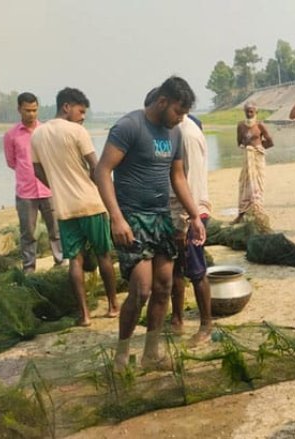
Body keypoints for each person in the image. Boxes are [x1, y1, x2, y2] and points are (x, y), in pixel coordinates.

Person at [95, 76, 205, 372]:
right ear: (162, 102)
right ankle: (121, 354)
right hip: (131, 218)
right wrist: (116, 218)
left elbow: (177, 176)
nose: (180, 118)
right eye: (177, 112)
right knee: (141, 289)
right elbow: (102, 171)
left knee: (163, 286)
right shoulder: (129, 127)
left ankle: (151, 353)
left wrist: (194, 214)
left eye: (184, 114)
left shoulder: (176, 134)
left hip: (161, 218)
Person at [30, 88, 119, 326]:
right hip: (91, 204)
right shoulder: (77, 131)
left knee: (75, 261)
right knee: (103, 255)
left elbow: (37, 170)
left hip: (64, 208)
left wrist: (56, 185)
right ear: (67, 107)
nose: (82, 117)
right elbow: (97, 168)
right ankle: (113, 305)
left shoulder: (37, 135)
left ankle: (85, 315)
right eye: (81, 111)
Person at [3, 92, 63, 273]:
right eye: (27, 110)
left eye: (34, 110)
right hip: (25, 193)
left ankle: (60, 263)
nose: (31, 114)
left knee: (56, 230)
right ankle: (29, 268)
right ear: (19, 109)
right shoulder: (11, 135)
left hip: (48, 189)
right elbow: (11, 162)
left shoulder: (46, 131)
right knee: (28, 233)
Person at [168, 113, 213, 344]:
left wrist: (187, 221)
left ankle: (206, 324)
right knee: (176, 269)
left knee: (196, 271)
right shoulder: (174, 132)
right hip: (176, 213)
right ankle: (177, 318)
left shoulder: (187, 135)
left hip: (191, 214)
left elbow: (192, 181)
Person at [231, 102, 274, 224]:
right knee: (244, 184)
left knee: (258, 184)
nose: (249, 114)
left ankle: (257, 212)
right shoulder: (241, 126)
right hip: (247, 158)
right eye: (247, 111)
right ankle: (242, 213)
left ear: (256, 112)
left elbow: (270, 141)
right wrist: (248, 148)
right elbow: (239, 142)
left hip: (257, 158)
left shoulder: (260, 125)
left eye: (251, 111)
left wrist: (258, 147)